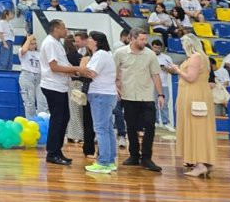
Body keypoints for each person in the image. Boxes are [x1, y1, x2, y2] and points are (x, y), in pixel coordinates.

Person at [168, 34, 218, 178]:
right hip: (197, 94)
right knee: (200, 130)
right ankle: (205, 162)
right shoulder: (201, 57)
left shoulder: (195, 57)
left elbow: (191, 78)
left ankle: (200, 164)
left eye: (183, 43)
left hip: (193, 95)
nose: (182, 45)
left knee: (195, 130)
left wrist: (177, 70)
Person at [114, 30, 164, 173]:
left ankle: (147, 157)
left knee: (149, 127)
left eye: (145, 39)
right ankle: (134, 155)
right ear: (132, 39)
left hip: (146, 97)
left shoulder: (150, 54)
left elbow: (155, 75)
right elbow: (113, 71)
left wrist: (161, 94)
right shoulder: (120, 53)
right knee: (131, 127)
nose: (144, 42)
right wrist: (115, 85)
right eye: (141, 39)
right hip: (128, 96)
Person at [39, 20, 80, 165]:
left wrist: (75, 71)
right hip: (52, 85)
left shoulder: (57, 43)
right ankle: (52, 152)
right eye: (64, 28)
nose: (66, 30)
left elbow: (63, 64)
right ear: (56, 29)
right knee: (58, 119)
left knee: (64, 118)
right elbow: (54, 67)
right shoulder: (50, 43)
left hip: (60, 85)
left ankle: (57, 149)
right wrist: (77, 69)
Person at [82, 31, 119, 175]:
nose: (88, 40)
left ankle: (103, 162)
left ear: (96, 41)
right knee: (107, 128)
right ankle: (109, 160)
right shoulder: (106, 54)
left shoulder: (100, 54)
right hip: (106, 94)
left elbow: (91, 73)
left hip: (101, 95)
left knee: (101, 129)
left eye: (90, 38)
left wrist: (79, 68)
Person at [17, 34, 46, 117]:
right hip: (27, 76)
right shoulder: (22, 51)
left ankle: (42, 121)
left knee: (42, 102)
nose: (33, 45)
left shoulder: (39, 53)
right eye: (31, 43)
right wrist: (28, 40)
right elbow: (24, 50)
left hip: (39, 77)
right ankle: (31, 122)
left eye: (34, 43)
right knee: (29, 102)